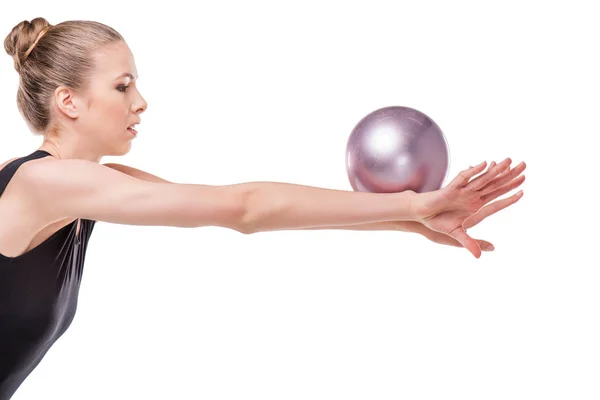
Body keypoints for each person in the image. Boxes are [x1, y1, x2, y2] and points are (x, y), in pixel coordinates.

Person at [0, 17, 526, 399]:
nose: (141, 101)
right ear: (69, 102)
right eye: (123, 85)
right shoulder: (46, 183)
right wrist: (413, 204)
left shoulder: (80, 185)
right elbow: (243, 208)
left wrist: (413, 221)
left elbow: (241, 211)